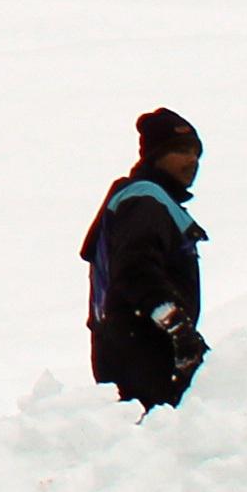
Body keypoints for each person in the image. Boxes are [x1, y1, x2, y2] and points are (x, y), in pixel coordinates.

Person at [82, 106, 208, 412]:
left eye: (196, 152)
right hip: (145, 353)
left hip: (126, 349)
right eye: (180, 150)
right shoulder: (146, 201)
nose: (192, 160)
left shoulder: (140, 200)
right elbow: (136, 270)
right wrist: (176, 326)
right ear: (154, 155)